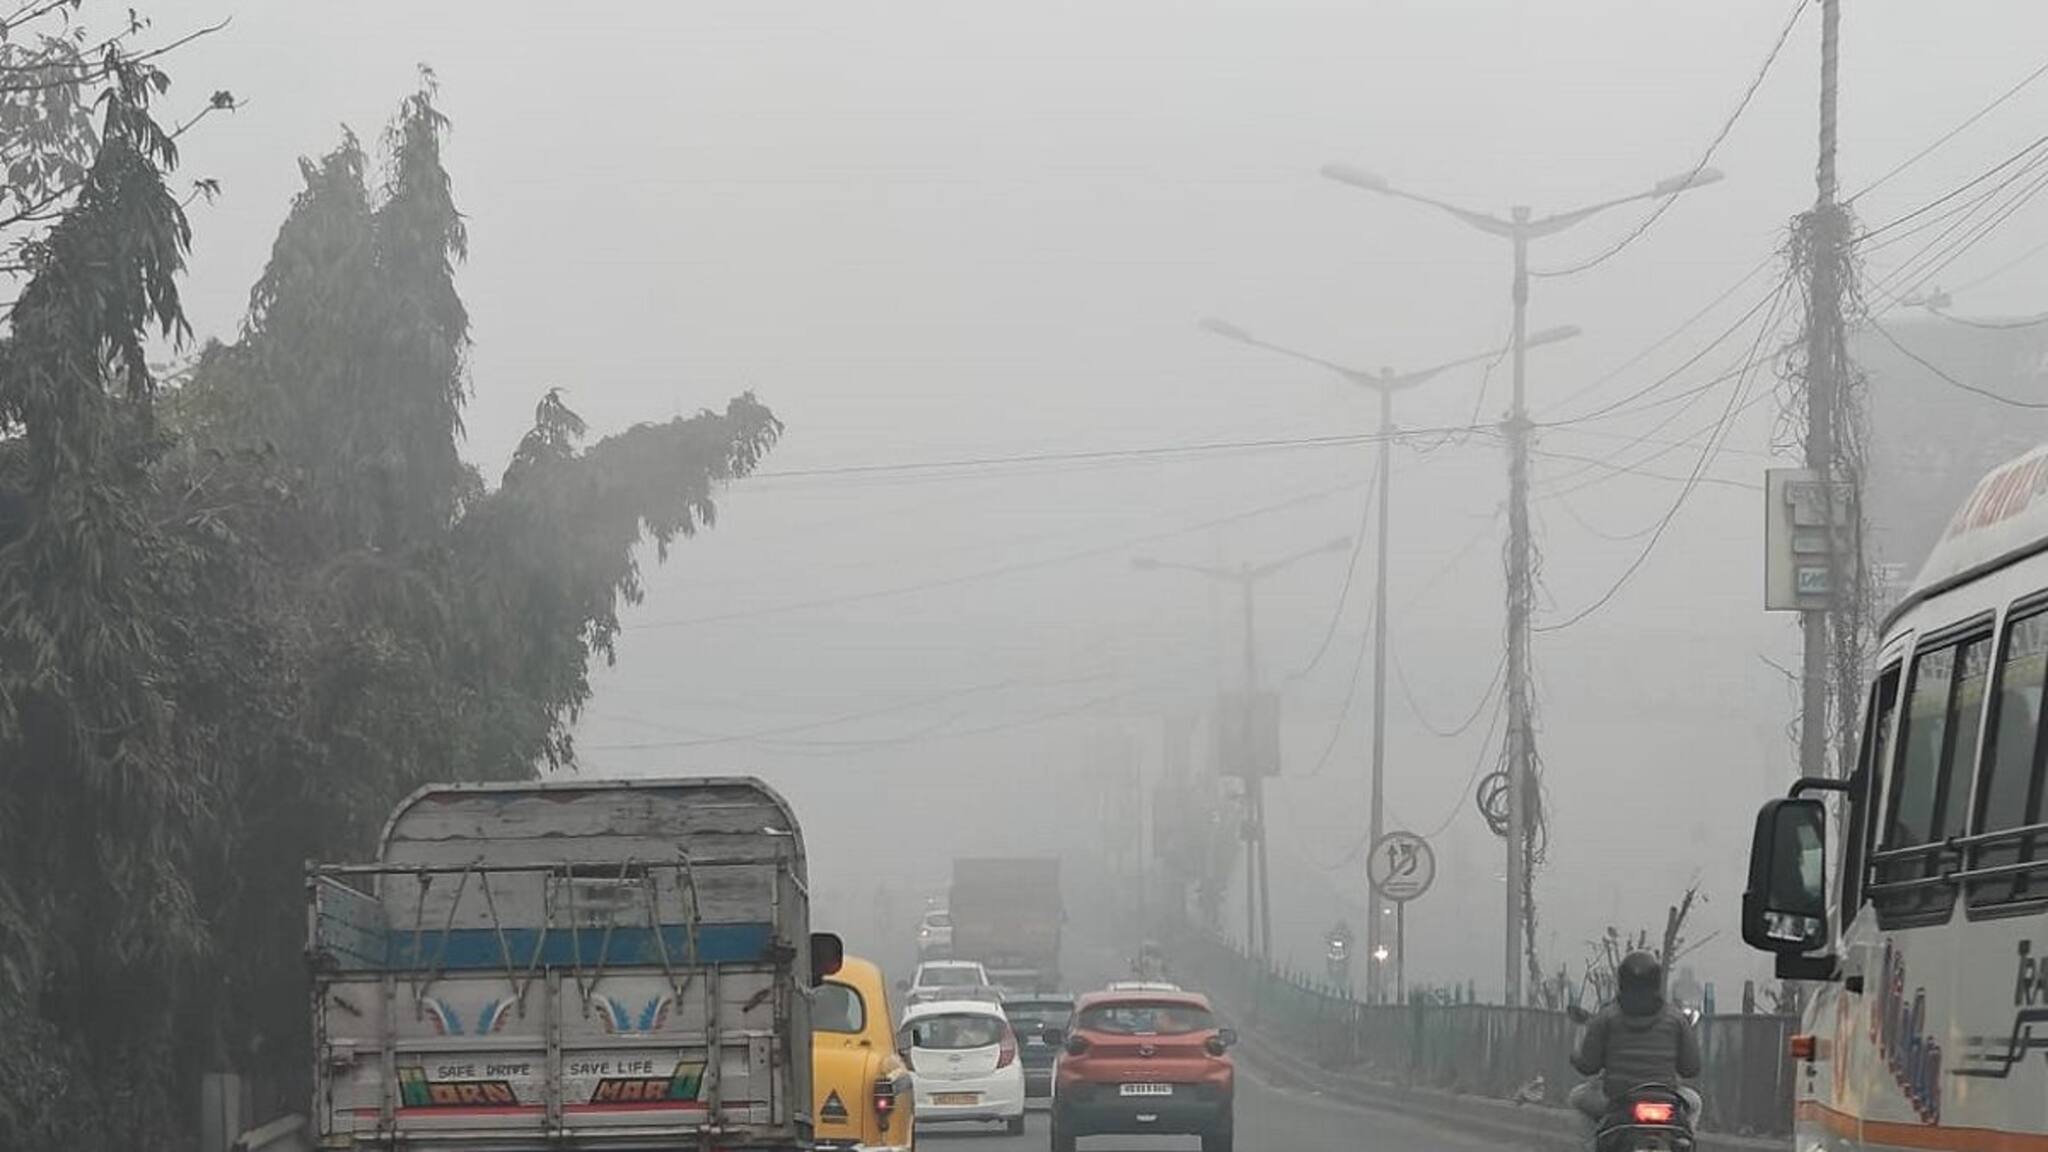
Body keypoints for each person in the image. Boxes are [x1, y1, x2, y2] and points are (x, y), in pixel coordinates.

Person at [1569, 951, 1702, 1134]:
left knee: (1576, 1099)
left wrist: (1575, 1055)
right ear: (1657, 981)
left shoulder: (1607, 1017)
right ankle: (1682, 1142)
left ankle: (1590, 1146)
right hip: (1665, 1099)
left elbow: (1588, 1066)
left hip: (1617, 1099)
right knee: (1694, 1102)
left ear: (1622, 981)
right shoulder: (1675, 1018)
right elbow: (1691, 1068)